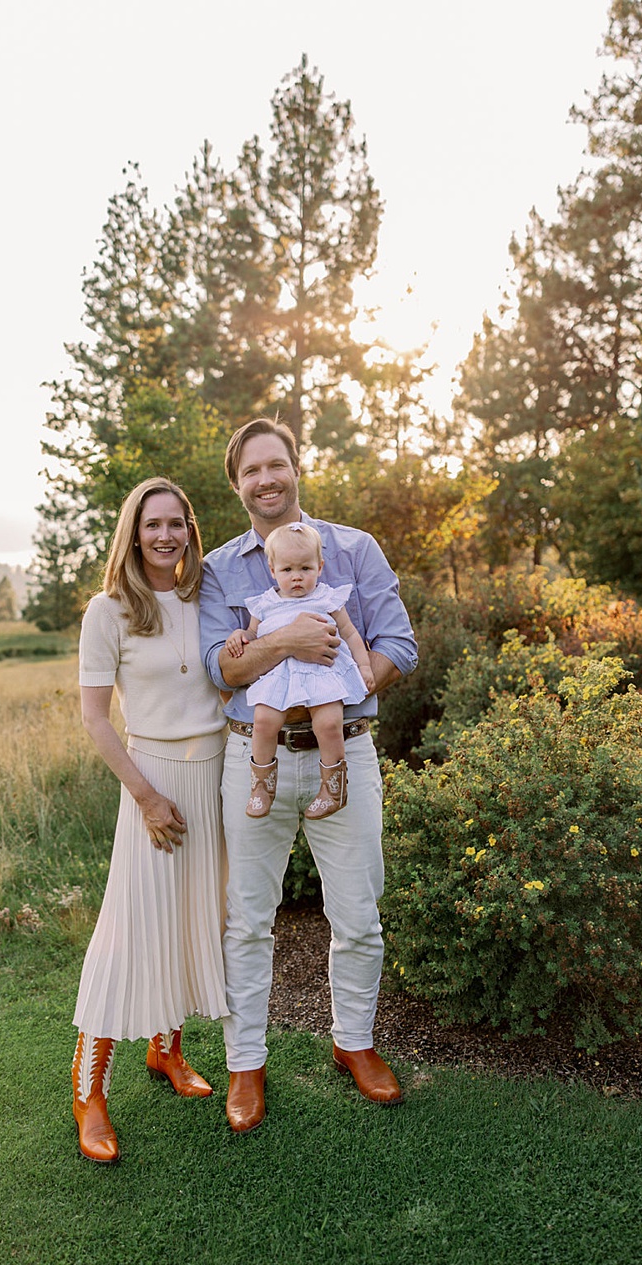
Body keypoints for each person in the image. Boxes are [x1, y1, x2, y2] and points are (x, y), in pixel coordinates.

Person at [199, 419, 417, 1133]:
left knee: (358, 913)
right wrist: (288, 641)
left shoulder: (355, 549)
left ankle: (353, 1043)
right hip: (251, 756)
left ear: (296, 467)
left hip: (343, 748)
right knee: (247, 920)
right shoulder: (221, 569)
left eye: (277, 465)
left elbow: (397, 642)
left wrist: (346, 692)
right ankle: (245, 1062)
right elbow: (220, 667)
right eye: (251, 471)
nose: (266, 479)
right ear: (236, 485)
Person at [71, 477, 229, 1164]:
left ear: (190, 529)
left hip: (214, 778)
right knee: (129, 931)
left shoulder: (208, 596)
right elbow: (94, 718)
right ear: (133, 532)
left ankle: (167, 1051)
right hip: (154, 783)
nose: (165, 534)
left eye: (176, 523)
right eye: (151, 523)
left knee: (195, 920)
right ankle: (87, 1090)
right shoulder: (109, 610)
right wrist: (145, 796)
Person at [225, 521, 376, 821]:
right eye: (287, 570)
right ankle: (262, 786)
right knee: (264, 721)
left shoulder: (327, 598)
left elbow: (350, 634)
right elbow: (251, 637)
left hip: (323, 674)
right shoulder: (265, 603)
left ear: (319, 567)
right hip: (281, 677)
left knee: (329, 724)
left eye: (305, 569)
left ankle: (332, 788)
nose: (297, 578)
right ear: (273, 570)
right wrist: (237, 636)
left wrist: (364, 665)